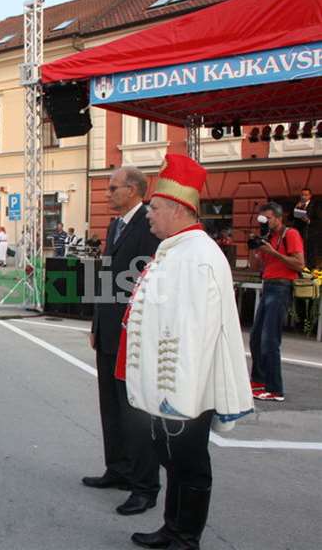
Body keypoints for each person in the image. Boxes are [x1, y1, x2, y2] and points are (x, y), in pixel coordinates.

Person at [125, 154, 253, 550]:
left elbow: (196, 334)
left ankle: (186, 536)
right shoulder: (178, 248)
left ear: (179, 209)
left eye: (156, 208)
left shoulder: (197, 255)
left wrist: (179, 395)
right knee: (174, 461)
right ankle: (172, 527)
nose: (149, 215)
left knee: (191, 464)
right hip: (174, 389)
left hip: (187, 389)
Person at [85, 166, 161, 516]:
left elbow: (151, 280)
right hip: (109, 330)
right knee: (110, 406)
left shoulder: (151, 222)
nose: (107, 193)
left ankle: (143, 485)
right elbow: (106, 275)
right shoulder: (116, 224)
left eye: (113, 188)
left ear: (132, 190)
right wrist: (96, 324)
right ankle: (117, 468)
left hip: (134, 333)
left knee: (134, 411)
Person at [248, 202, 305, 402]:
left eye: (268, 218)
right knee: (256, 337)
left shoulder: (290, 234)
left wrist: (274, 253)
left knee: (270, 339)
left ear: (279, 218)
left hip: (281, 287)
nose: (264, 222)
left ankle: (275, 389)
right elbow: (256, 265)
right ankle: (258, 381)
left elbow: (300, 263)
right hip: (268, 286)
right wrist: (254, 248)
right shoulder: (268, 238)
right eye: (262, 218)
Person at [293, 187, 320, 269]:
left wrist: (308, 220)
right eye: (302, 195)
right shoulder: (297, 204)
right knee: (300, 252)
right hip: (300, 233)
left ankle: (311, 269)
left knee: (311, 252)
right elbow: (290, 218)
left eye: (306, 195)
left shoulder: (315, 205)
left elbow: (319, 219)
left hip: (311, 233)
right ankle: (301, 269)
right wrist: (295, 208)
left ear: (310, 196)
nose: (303, 197)